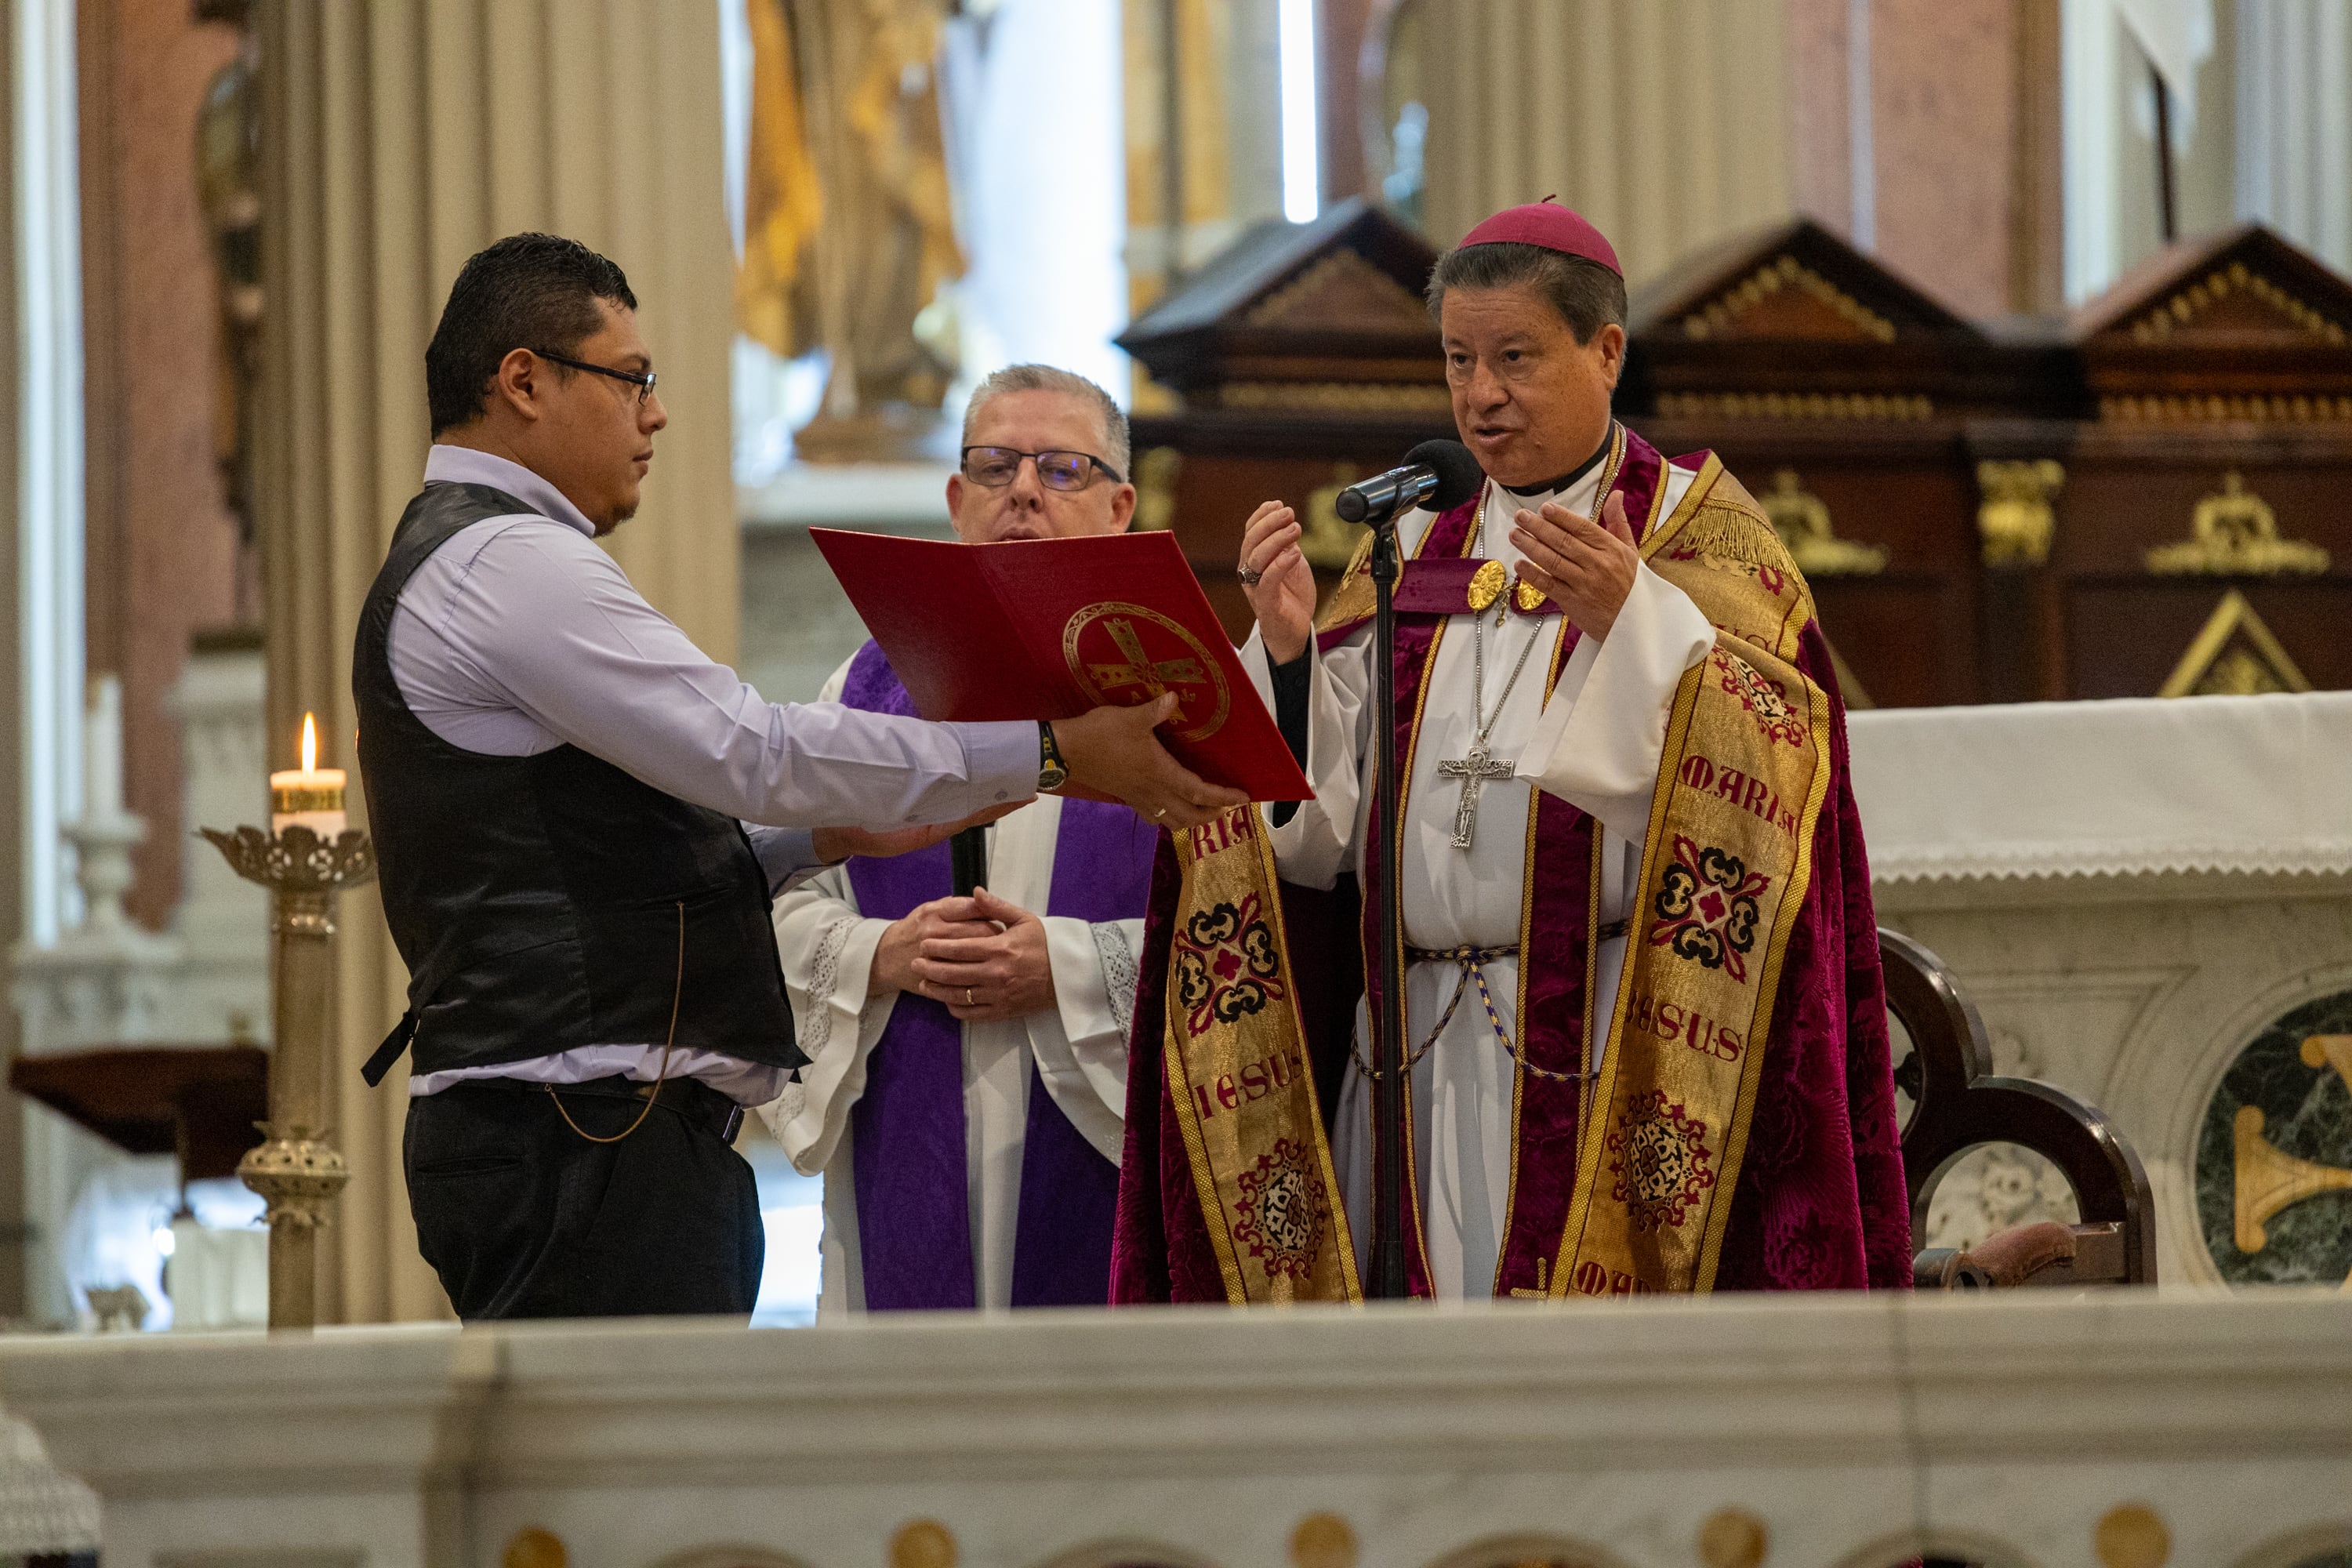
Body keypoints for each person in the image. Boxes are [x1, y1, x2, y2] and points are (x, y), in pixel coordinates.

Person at [355, 235, 1242, 1321]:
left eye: (1063, 470)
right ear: (526, 383)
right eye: (630, 378)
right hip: (580, 1131)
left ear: (1119, 506)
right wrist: (1056, 755)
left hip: (591, 1133)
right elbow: (756, 754)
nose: (657, 413)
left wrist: (819, 842)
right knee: (627, 1483)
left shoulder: (494, 554)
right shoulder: (510, 562)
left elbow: (646, 840)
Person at [1112, 201, 1910, 1305]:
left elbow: (1781, 788)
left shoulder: (1705, 540)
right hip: (1409, 1062)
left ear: (1607, 350)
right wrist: (1292, 657)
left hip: (1605, 1058)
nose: (1480, 395)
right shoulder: (1406, 547)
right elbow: (1315, 836)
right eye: (1458, 360)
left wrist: (1638, 623)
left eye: (1515, 358)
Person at [760, 366, 1158, 1313]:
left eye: (1062, 468)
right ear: (955, 500)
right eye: (994, 466)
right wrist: (884, 951)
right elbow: (774, 894)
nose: (1023, 490)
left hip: (1104, 1158)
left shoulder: (1179, 696)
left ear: (1119, 507)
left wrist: (1063, 963)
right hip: (907, 1123)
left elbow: (1244, 940)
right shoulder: (863, 693)